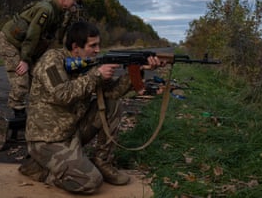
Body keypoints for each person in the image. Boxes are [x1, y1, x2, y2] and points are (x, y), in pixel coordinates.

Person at [18, 21, 162, 194]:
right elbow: (62, 94)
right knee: (91, 182)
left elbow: (112, 93)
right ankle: (41, 169)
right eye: (92, 45)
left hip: (72, 131)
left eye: (98, 45)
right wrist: (96, 75)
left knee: (112, 105)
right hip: (46, 138)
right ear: (75, 47)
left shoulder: (88, 63)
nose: (97, 50)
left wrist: (137, 71)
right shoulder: (51, 61)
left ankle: (102, 161)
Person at [0, 0, 79, 119]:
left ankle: (43, 106)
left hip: (27, 45)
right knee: (21, 76)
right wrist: (25, 60)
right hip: (11, 41)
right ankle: (19, 113)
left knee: (43, 73)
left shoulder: (59, 12)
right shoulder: (46, 10)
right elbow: (32, 35)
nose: (74, 3)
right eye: (73, 0)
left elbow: (52, 39)